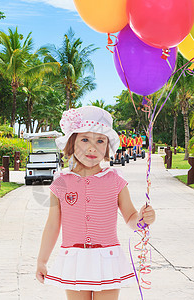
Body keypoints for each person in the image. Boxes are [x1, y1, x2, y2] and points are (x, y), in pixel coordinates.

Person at [36, 106, 155, 300]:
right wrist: (42, 260)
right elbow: (52, 225)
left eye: (100, 141)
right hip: (75, 259)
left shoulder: (115, 180)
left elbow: (131, 218)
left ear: (107, 146)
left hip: (107, 259)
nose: (92, 147)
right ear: (72, 143)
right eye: (85, 139)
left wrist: (143, 219)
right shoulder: (61, 182)